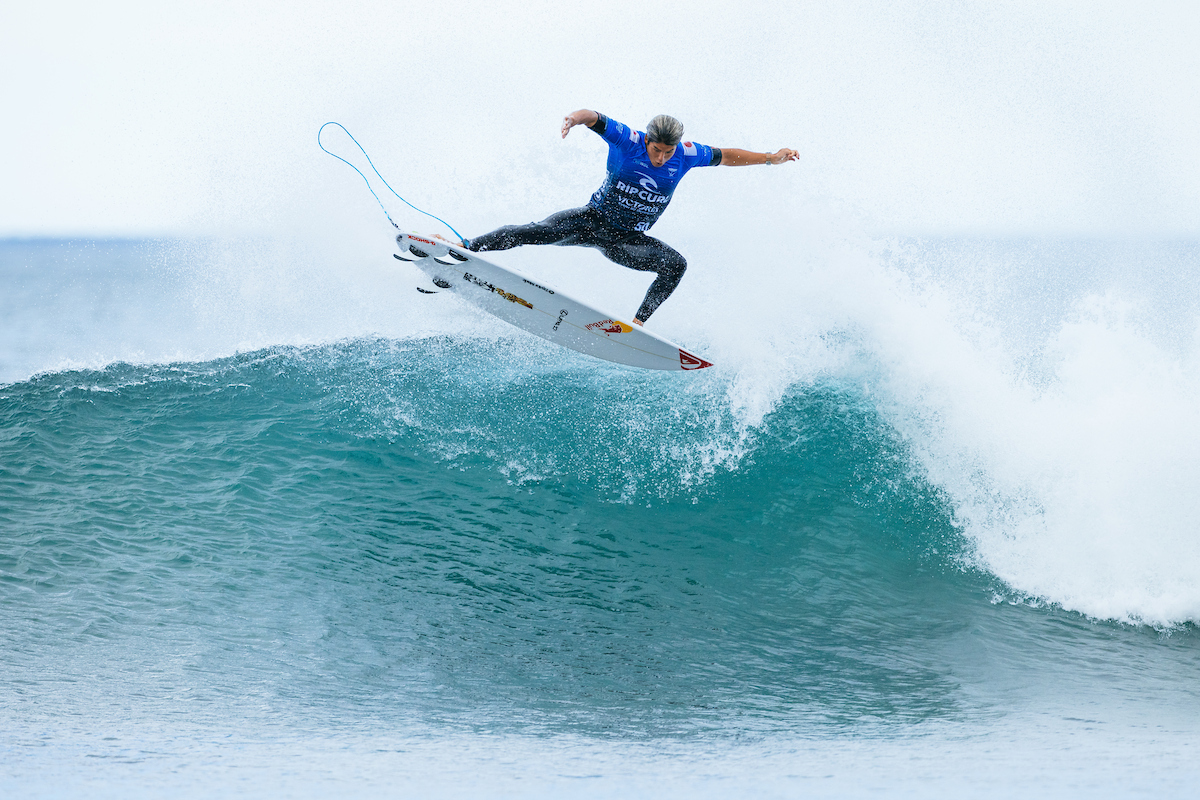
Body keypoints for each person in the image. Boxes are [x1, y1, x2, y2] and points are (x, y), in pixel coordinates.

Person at [453, 110, 798, 325]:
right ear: (647, 140)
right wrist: (573, 119)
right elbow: (594, 117)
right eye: (656, 149)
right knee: (536, 231)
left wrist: (771, 157)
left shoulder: (688, 154)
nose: (662, 157)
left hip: (626, 241)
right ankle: (465, 247)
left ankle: (637, 325)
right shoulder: (629, 141)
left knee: (676, 265)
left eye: (667, 151)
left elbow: (727, 156)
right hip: (590, 222)